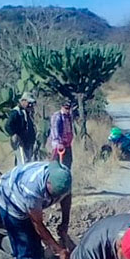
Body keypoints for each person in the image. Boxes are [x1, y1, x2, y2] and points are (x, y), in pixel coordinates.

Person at [50, 100, 76, 241]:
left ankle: (65, 192)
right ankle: (55, 194)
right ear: (61, 107)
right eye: (65, 107)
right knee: (57, 170)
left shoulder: (68, 117)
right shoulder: (57, 116)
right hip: (59, 147)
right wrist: (59, 144)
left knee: (67, 168)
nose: (67, 110)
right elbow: (55, 131)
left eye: (69, 107)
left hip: (68, 146)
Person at [5, 92, 38, 165]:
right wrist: (14, 134)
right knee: (23, 163)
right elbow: (8, 125)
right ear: (23, 101)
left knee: (29, 163)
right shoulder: (16, 112)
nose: (30, 105)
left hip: (28, 142)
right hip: (20, 143)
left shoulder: (27, 112)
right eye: (29, 103)